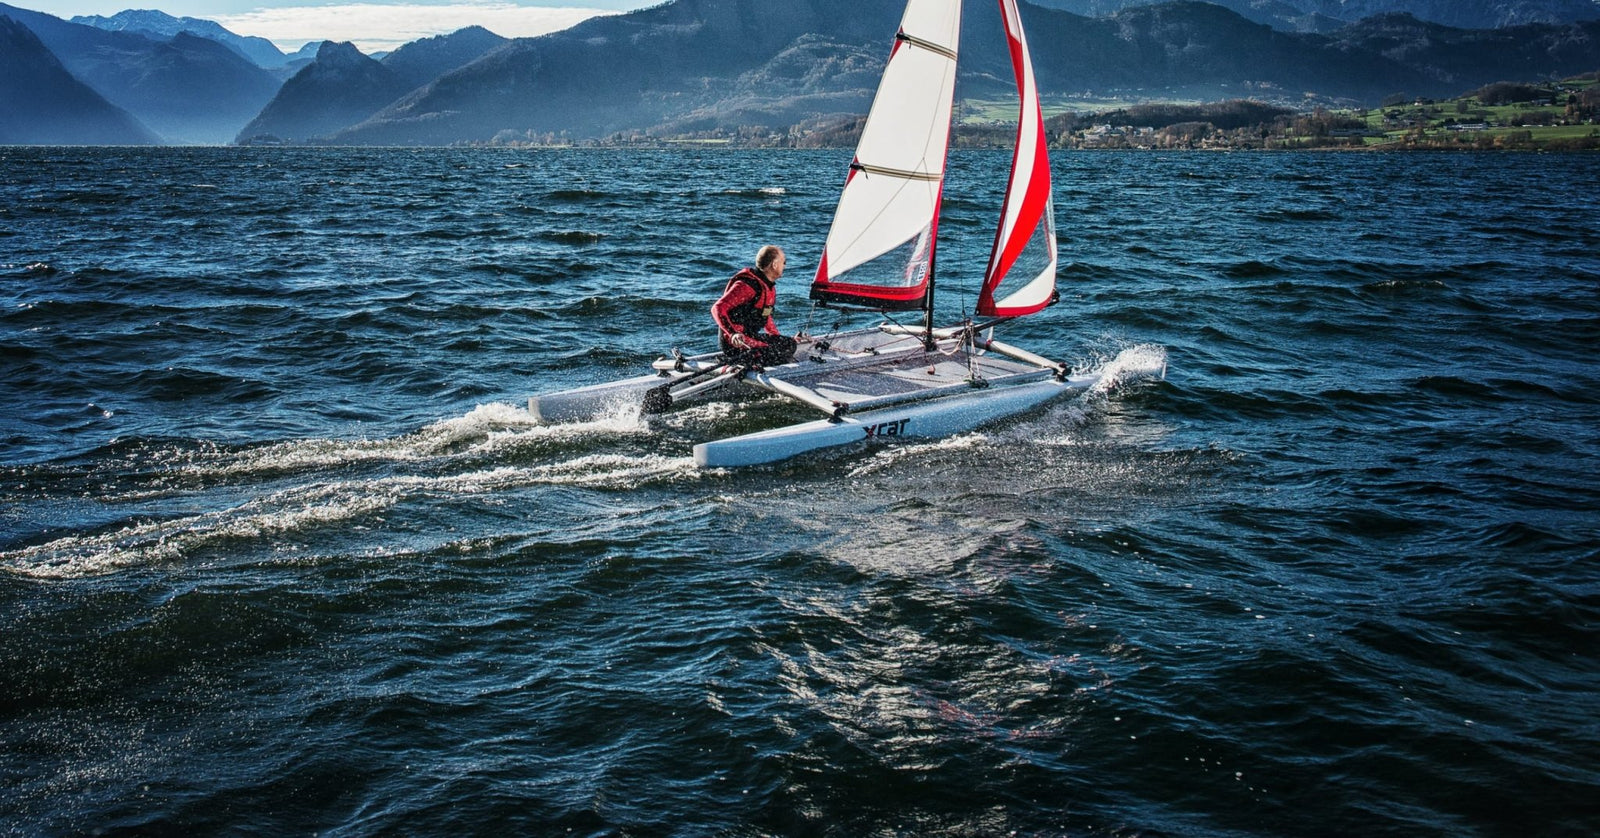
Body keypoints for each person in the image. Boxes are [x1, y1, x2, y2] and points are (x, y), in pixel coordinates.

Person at [711, 245, 798, 366]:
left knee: (788, 344)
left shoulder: (768, 287)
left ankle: (755, 362)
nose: (785, 266)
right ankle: (740, 363)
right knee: (776, 351)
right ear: (774, 265)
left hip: (751, 336)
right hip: (735, 342)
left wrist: (777, 338)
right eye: (784, 262)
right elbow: (717, 308)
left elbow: (765, 316)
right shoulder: (747, 285)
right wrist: (733, 334)